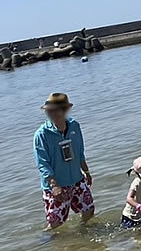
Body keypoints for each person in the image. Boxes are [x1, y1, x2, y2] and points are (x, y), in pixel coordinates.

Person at [33, 93, 95, 229]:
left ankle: (82, 234)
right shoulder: (42, 134)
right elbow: (42, 163)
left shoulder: (74, 126)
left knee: (89, 210)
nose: (52, 114)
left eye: (55, 110)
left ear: (65, 110)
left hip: (77, 179)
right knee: (56, 223)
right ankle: (45, 241)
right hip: (57, 185)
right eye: (49, 111)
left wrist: (86, 171)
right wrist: (54, 186)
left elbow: (80, 152)